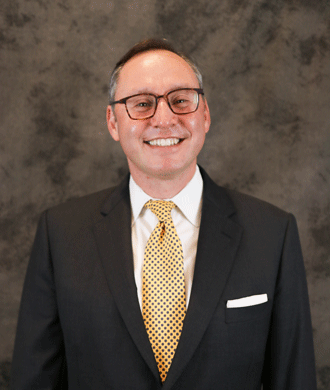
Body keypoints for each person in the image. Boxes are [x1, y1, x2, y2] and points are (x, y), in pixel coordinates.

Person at [11, 38, 317, 389]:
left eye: (181, 100)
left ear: (204, 114)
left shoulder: (272, 234)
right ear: (113, 122)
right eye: (141, 104)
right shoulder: (60, 235)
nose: (164, 118)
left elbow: (294, 380)